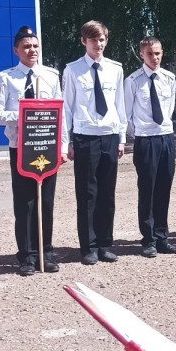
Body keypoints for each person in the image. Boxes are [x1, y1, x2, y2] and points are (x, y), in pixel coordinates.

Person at [0, 24, 67, 276]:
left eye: (35, 46)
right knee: (25, 204)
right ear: (16, 50)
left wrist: (63, 146)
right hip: (21, 148)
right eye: (26, 47)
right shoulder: (6, 78)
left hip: (47, 147)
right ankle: (27, 256)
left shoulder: (51, 76)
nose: (32, 50)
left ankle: (46, 252)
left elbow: (61, 114)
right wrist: (23, 113)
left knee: (46, 202)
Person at [63, 20, 126, 265]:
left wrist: (121, 138)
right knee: (88, 194)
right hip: (85, 136)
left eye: (102, 40)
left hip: (109, 135)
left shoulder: (115, 69)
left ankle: (105, 244)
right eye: (93, 40)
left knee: (107, 194)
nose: (98, 44)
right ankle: (88, 247)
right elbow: (67, 108)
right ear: (83, 41)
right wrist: (67, 141)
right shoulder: (72, 70)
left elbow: (119, 105)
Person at [124, 37, 176, 258]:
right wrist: (139, 132)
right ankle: (148, 239)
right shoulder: (133, 80)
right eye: (150, 54)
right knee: (147, 189)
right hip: (146, 139)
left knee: (164, 187)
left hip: (165, 137)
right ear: (141, 55)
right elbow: (127, 114)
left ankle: (162, 236)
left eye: (157, 53)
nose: (154, 58)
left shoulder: (169, 78)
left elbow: (170, 107)